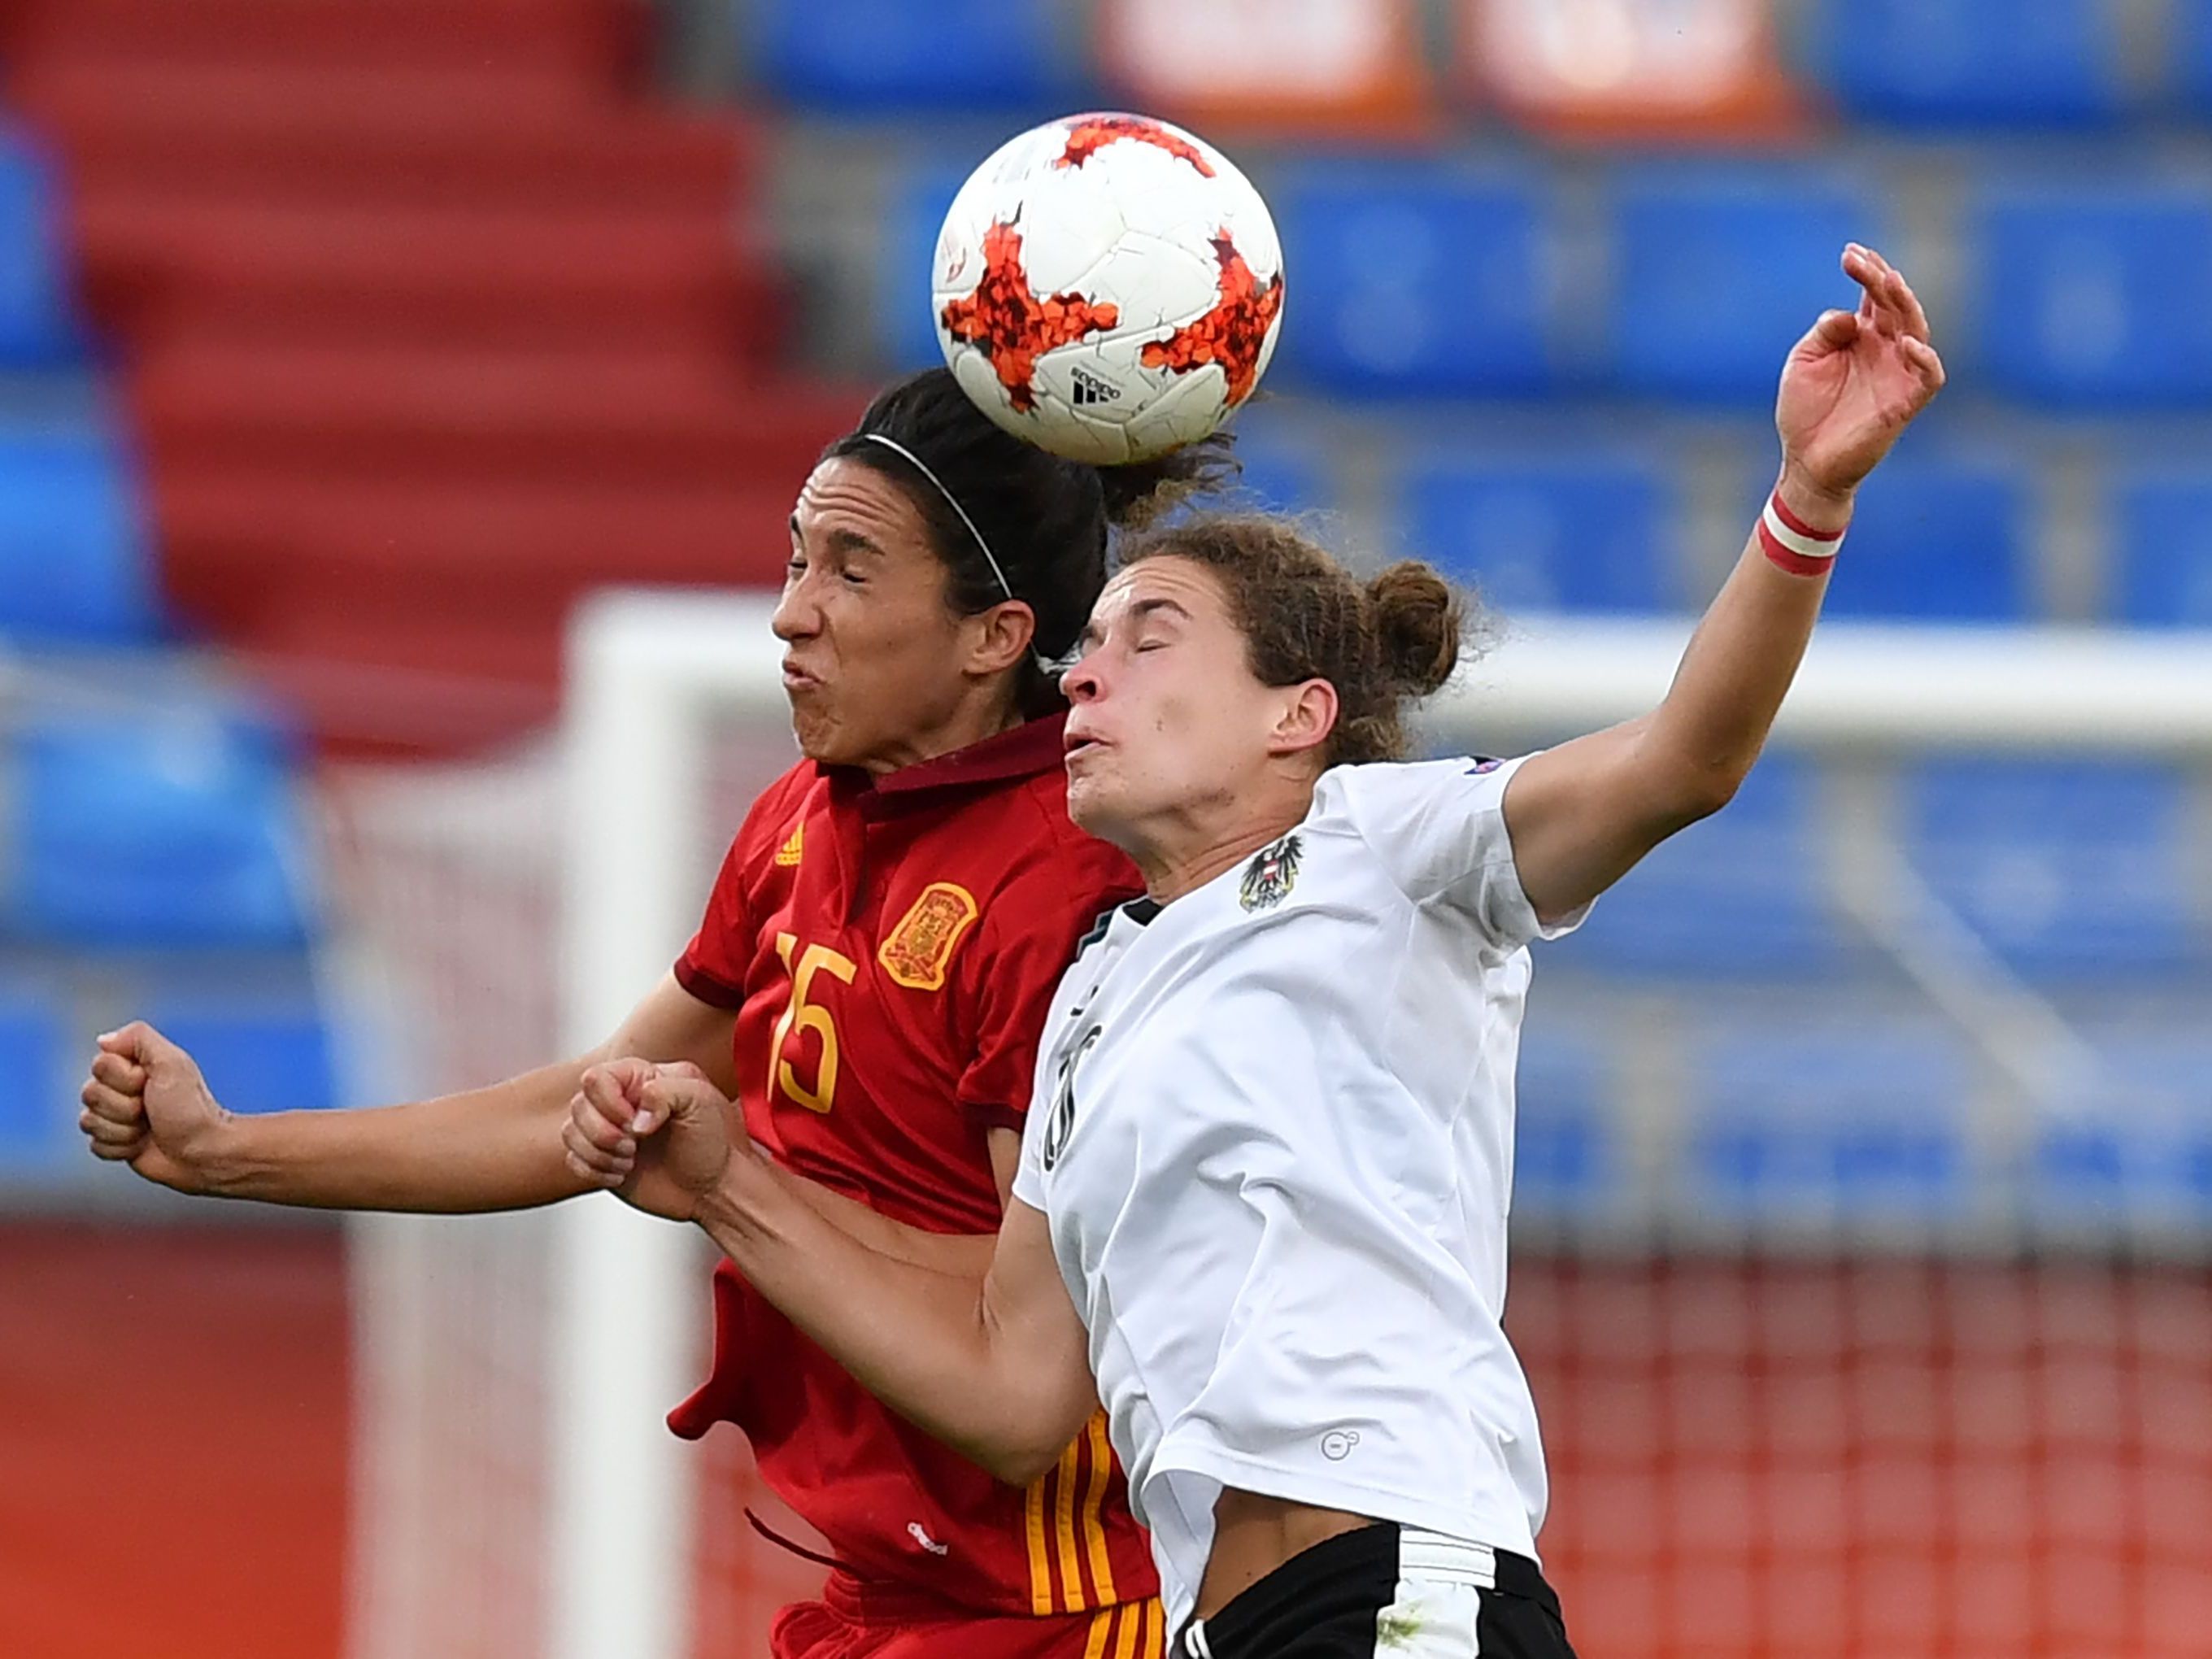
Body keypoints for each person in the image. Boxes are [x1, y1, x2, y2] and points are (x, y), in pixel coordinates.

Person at [563, 244, 1946, 1658]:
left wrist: (1806, 503)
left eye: (1147, 639)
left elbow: (1682, 765)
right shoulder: (1091, 987)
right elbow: (1014, 1392)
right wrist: (731, 1181)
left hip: (1404, 1592)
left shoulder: (1387, 847)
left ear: (1298, 716)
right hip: (1217, 1630)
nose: (1087, 671)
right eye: (1085, 646)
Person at [76, 368, 1235, 1658]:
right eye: (796, 561)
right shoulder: (801, 823)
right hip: (881, 1600)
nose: (791, 615)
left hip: (1064, 1611)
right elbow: (583, 1109)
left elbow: (1031, 1358)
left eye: (851, 571)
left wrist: (732, 1183)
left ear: (994, 634)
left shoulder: (1071, 887)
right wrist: (228, 1147)